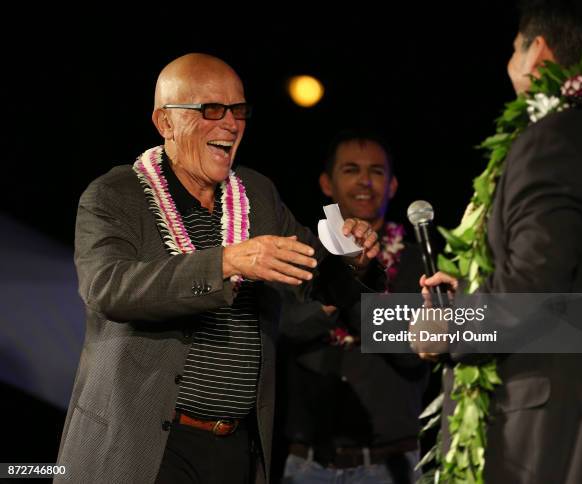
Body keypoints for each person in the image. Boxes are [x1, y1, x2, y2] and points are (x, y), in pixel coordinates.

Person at [55, 53, 383, 484]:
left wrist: (353, 257)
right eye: (211, 110)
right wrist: (227, 261)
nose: (230, 123)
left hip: (235, 448)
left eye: (239, 110)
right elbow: (108, 289)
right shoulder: (115, 195)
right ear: (165, 122)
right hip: (146, 446)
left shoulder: (258, 195)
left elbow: (317, 278)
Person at [420, 1, 582, 482]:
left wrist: (449, 328)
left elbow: (532, 289)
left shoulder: (553, 139)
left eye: (513, 48)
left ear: (537, 52)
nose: (510, 60)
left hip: (547, 429)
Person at [278, 131, 429, 484]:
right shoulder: (301, 255)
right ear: (326, 183)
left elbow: (410, 347)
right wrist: (346, 291)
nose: (364, 181)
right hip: (307, 464)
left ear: (392, 186)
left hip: (392, 464)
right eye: (351, 170)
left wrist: (346, 284)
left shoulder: (417, 261)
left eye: (377, 171)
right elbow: (284, 328)